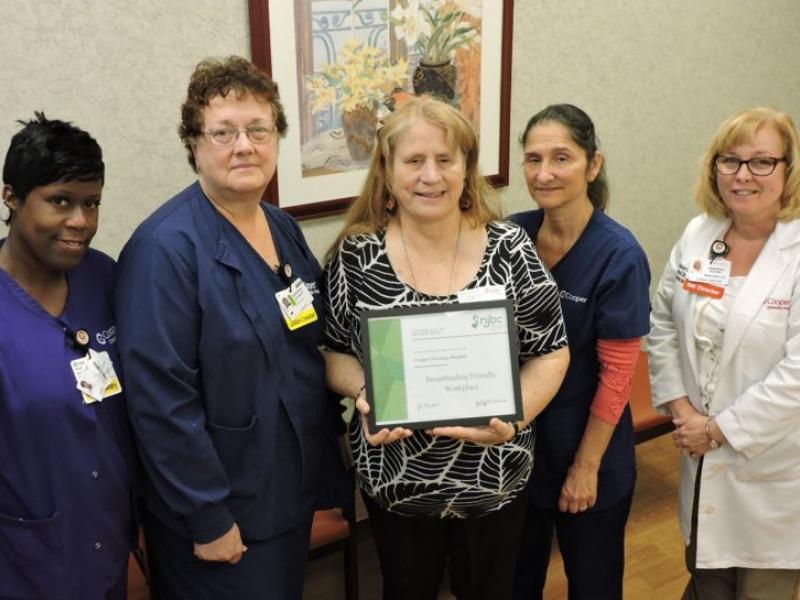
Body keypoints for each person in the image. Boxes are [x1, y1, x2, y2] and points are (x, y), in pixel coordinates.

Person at [322, 96, 570, 600]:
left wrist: (515, 418)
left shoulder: (511, 248)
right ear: (387, 172)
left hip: (495, 478)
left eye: (445, 159)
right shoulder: (355, 254)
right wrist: (368, 390)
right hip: (397, 483)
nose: (430, 176)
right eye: (414, 161)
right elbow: (332, 352)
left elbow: (552, 351)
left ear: (466, 169)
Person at [115, 56, 343, 599]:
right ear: (193, 145)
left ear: (277, 138)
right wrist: (206, 516)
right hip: (221, 513)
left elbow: (311, 344)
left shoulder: (281, 227)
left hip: (286, 494)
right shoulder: (164, 251)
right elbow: (159, 401)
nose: (244, 145)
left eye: (258, 129)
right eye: (223, 132)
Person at [648, 107, 800, 599]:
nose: (743, 174)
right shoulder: (699, 233)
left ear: (788, 170)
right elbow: (664, 321)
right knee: (707, 577)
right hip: (699, 450)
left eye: (762, 162)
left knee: (762, 587)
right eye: (730, 160)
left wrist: (717, 429)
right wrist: (681, 408)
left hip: (772, 465)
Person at [509, 104, 651, 599]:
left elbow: (617, 379)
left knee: (592, 585)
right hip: (519, 450)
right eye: (532, 159)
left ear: (593, 165)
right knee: (515, 580)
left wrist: (585, 467)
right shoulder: (511, 236)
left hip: (588, 449)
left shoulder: (618, 255)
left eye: (561, 158)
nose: (544, 173)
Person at [0, 113, 136, 598]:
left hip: (108, 548)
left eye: (91, 203)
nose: (81, 222)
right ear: (11, 196)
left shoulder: (103, 279)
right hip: (26, 564)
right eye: (60, 201)